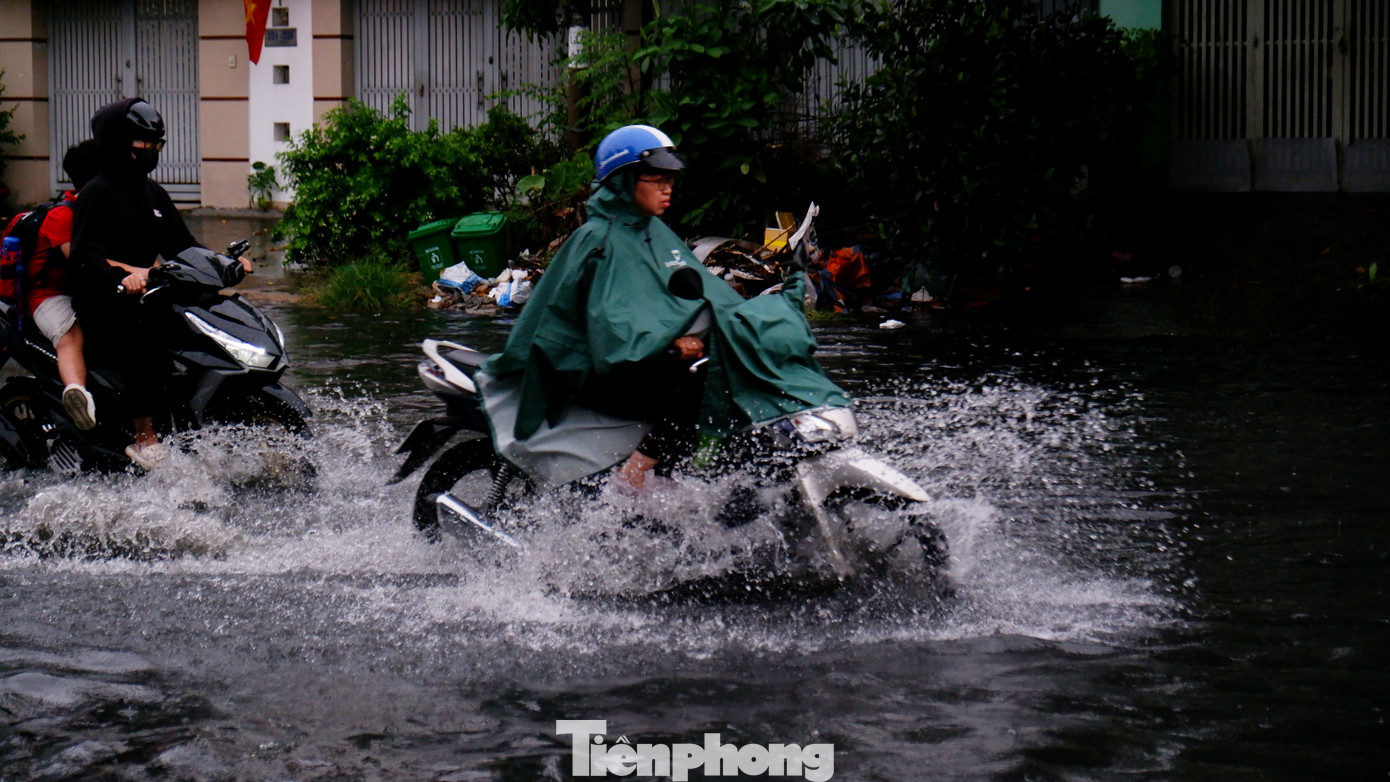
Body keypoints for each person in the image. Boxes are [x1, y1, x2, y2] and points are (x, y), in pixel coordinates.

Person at [478, 124, 742, 492]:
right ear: (624, 180)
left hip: (640, 360)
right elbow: (610, 324)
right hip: (595, 370)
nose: (667, 188)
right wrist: (668, 344)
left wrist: (752, 320)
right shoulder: (599, 240)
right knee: (697, 380)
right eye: (655, 178)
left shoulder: (652, 231)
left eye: (670, 179)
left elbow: (695, 291)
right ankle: (631, 476)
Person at [68, 98, 249, 469]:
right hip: (107, 303)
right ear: (118, 144)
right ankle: (144, 434)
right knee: (147, 335)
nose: (150, 152)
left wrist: (225, 265)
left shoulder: (154, 194)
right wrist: (123, 277)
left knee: (196, 324)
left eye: (156, 145)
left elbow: (183, 247)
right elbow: (85, 256)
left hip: (149, 295)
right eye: (142, 145)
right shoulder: (96, 194)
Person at [4, 140, 102, 430]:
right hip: (48, 296)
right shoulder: (63, 216)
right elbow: (86, 264)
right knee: (70, 336)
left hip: (88, 292)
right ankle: (78, 395)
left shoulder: (101, 210)